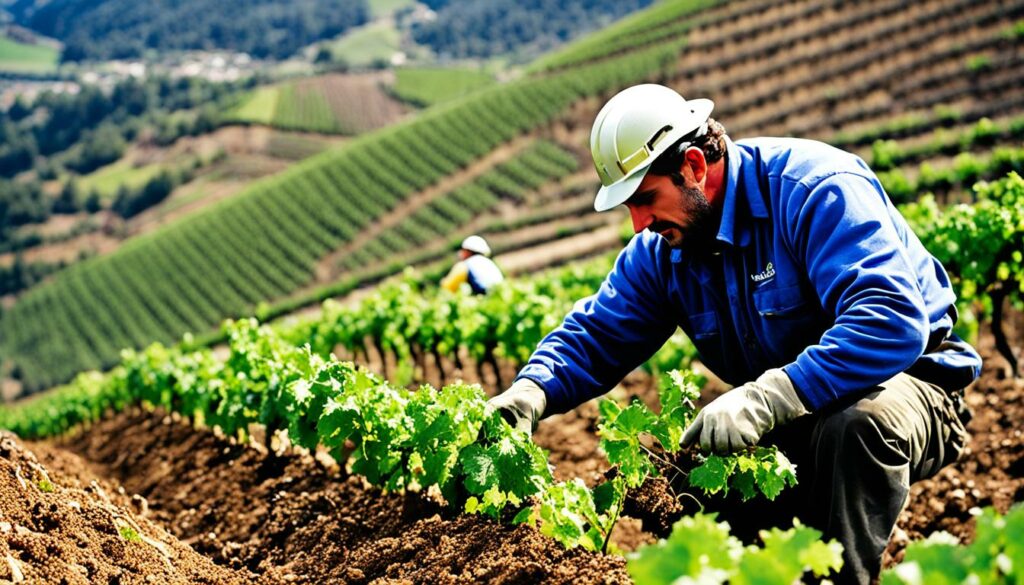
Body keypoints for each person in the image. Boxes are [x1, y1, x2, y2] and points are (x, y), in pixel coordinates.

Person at [488, 84, 980, 584]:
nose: (638, 224)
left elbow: (890, 319)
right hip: (791, 419)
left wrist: (770, 397)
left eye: (645, 199)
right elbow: (597, 333)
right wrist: (531, 391)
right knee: (681, 480)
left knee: (854, 427)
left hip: (912, 385)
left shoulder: (813, 187)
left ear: (695, 166)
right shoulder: (664, 251)